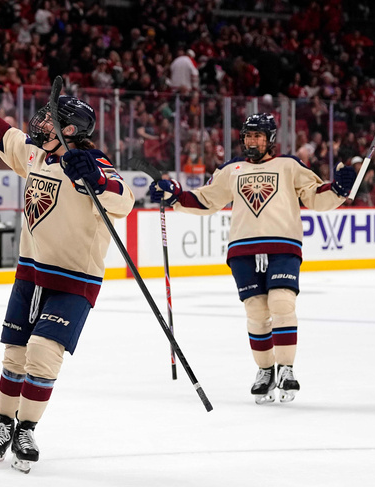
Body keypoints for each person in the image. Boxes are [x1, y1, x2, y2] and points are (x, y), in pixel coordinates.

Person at [0, 74, 134, 473]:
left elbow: (124, 199)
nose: (41, 122)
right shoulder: (36, 156)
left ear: (70, 130)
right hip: (31, 275)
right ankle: (2, 424)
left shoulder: (92, 165)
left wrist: (95, 179)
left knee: (44, 355)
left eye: (51, 119)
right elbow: (5, 136)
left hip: (74, 280)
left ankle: (26, 428)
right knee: (15, 354)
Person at [151, 114, 356, 404]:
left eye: (258, 136)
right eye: (248, 136)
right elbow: (206, 199)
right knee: (257, 313)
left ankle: (286, 369)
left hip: (283, 244)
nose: (252, 141)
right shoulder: (231, 169)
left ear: (271, 138)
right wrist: (175, 196)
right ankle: (265, 371)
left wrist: (337, 190)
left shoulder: (289, 166)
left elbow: (314, 196)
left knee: (282, 302)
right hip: (243, 249)